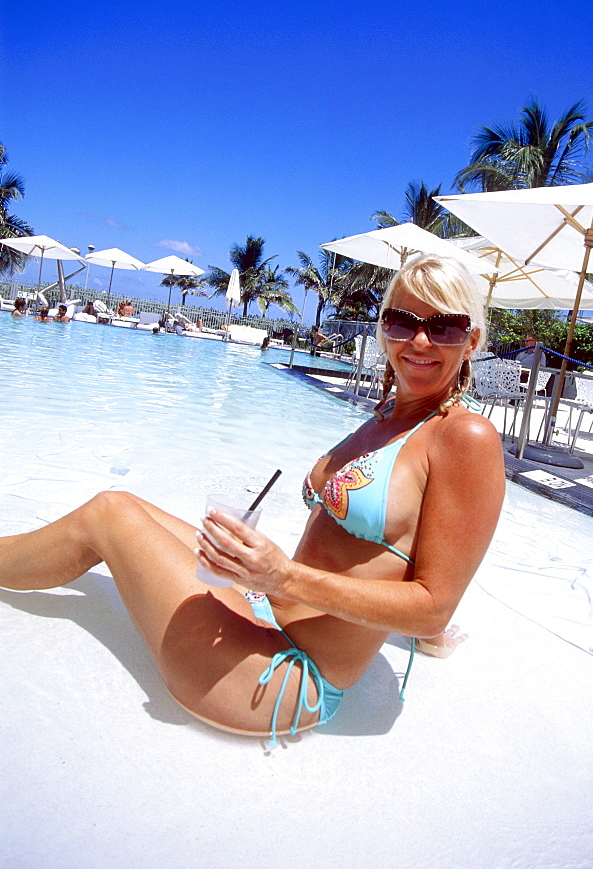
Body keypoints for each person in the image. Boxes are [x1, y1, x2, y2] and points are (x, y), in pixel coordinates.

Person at [0, 255, 505, 745]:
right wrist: (263, 568)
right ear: (383, 328)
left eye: (444, 326)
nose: (419, 340)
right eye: (403, 321)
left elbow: (433, 605)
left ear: (472, 340)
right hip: (265, 613)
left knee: (110, 515)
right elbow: (398, 553)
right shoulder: (390, 417)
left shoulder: (465, 437)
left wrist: (284, 576)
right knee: (122, 500)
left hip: (284, 679)